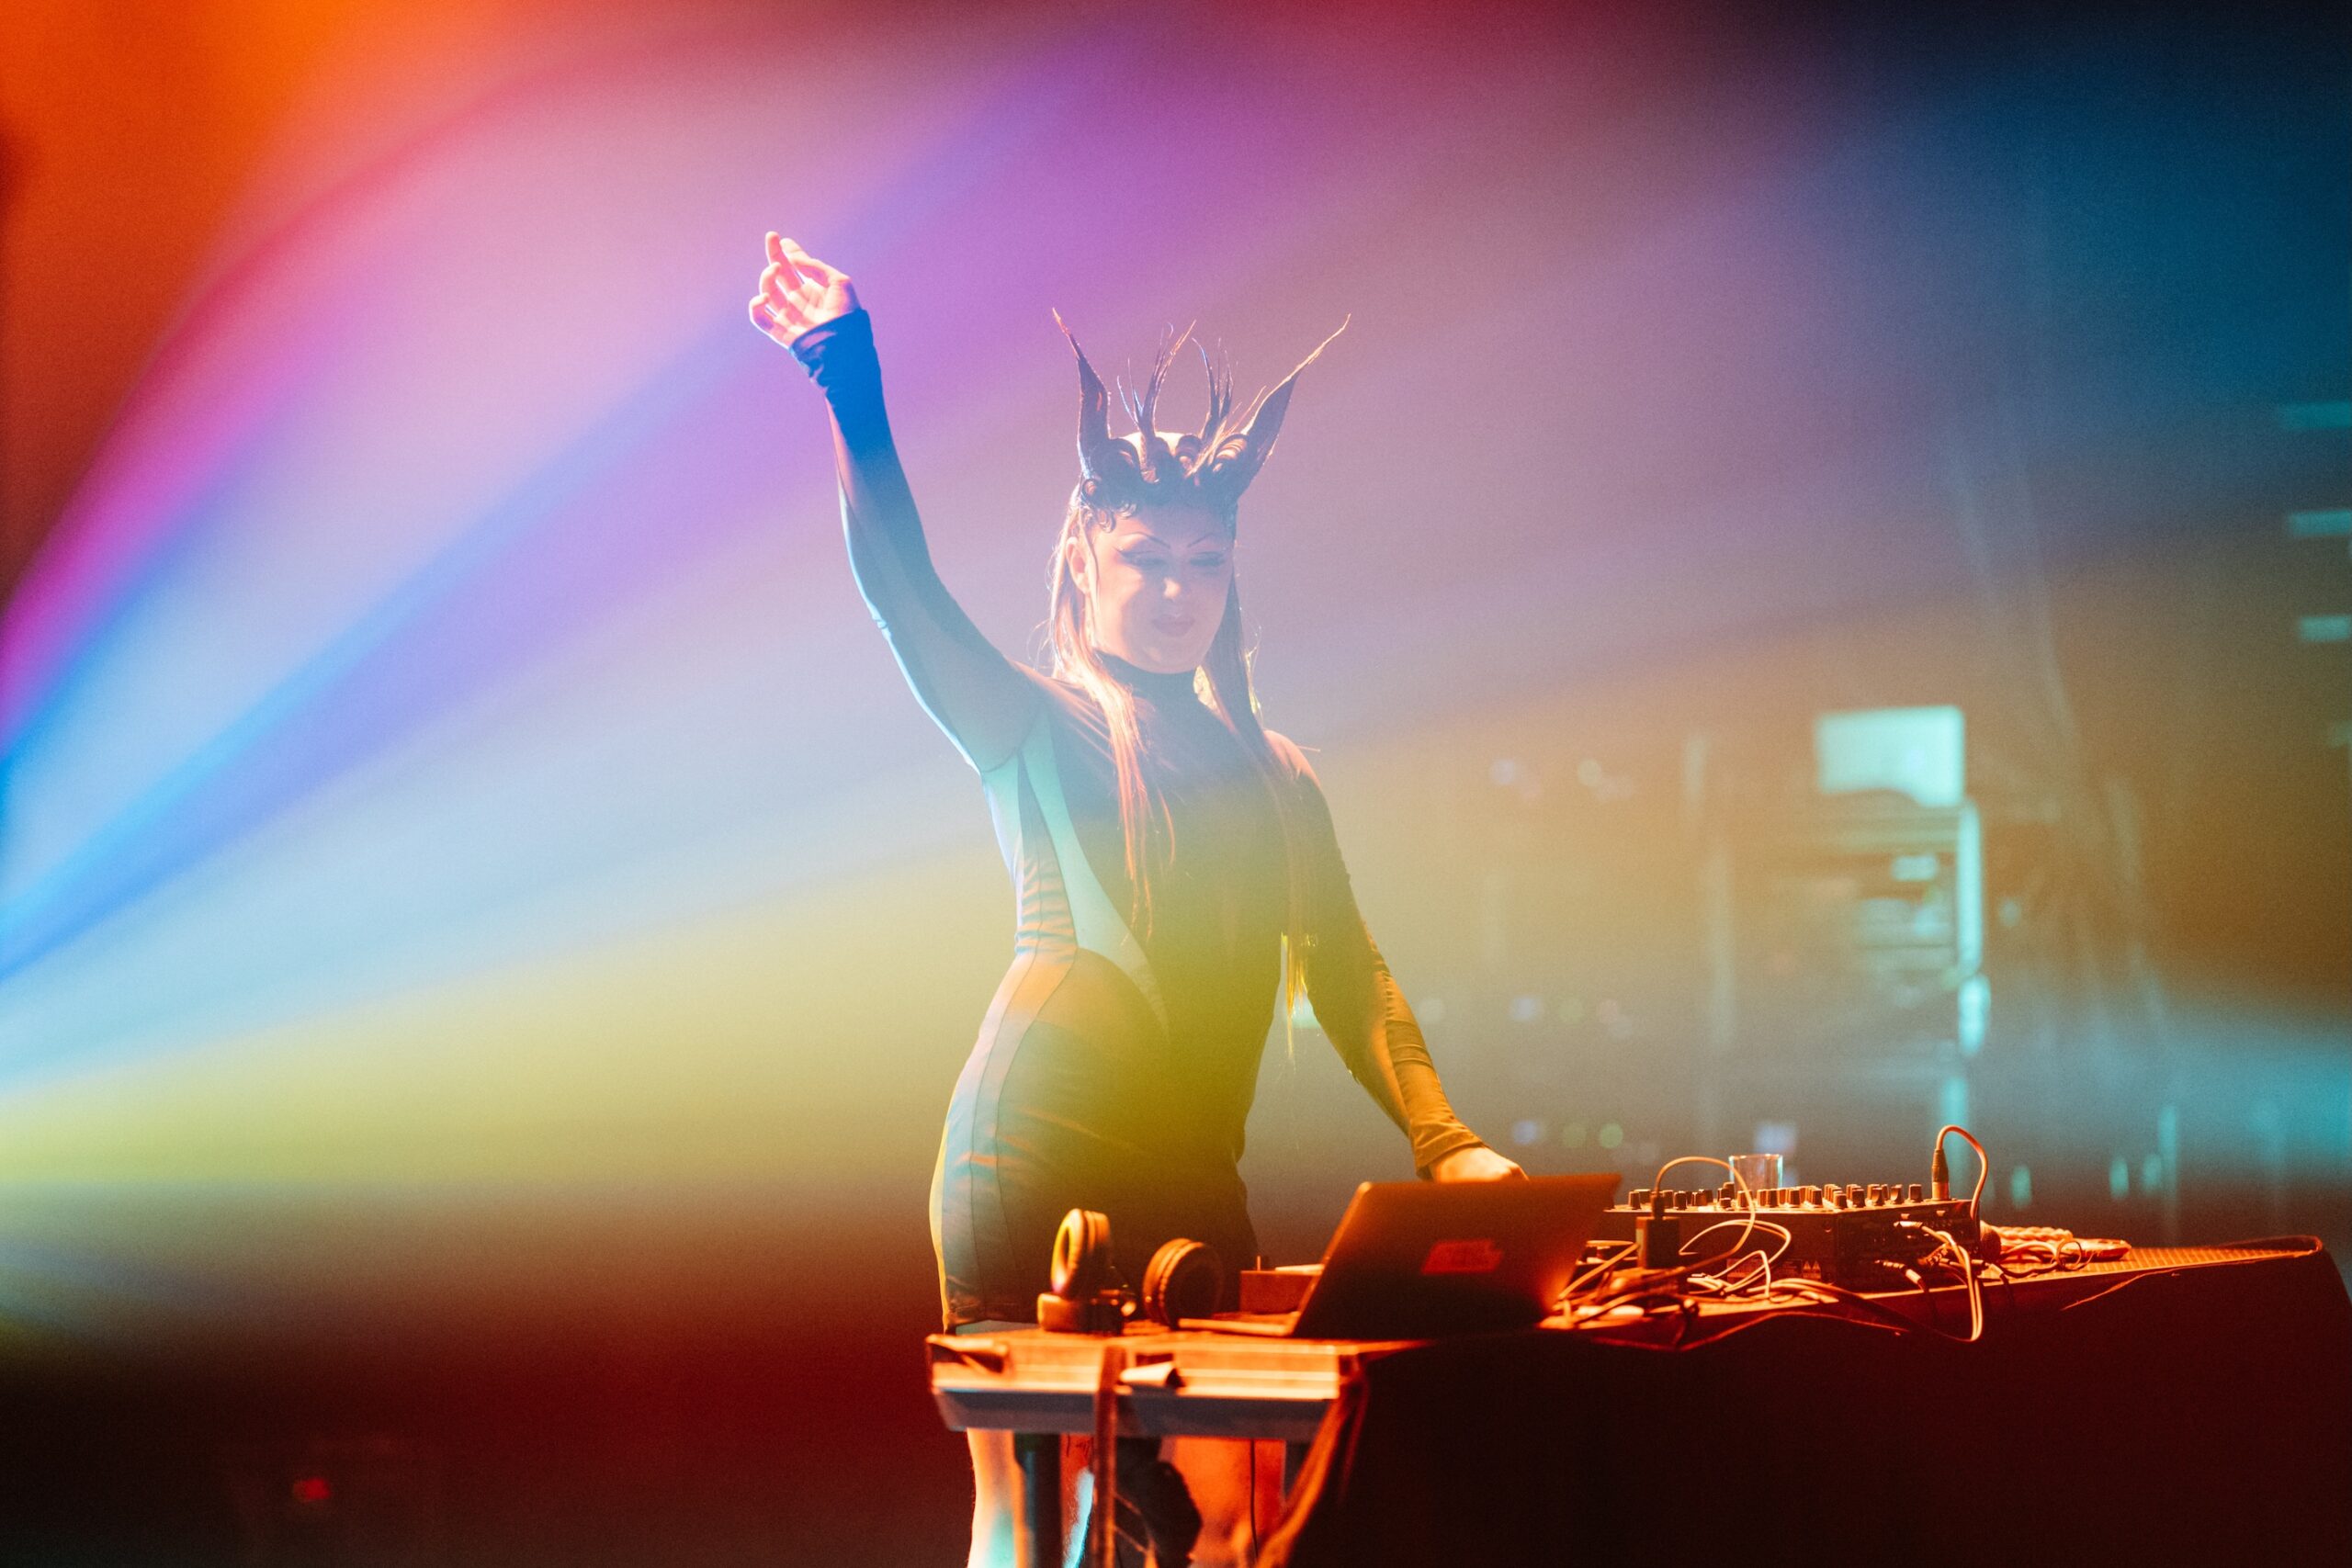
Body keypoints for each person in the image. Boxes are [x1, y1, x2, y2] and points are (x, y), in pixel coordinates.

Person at [751, 233, 1521, 1567]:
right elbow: (899, 587)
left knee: (1240, 1521)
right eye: (1146, 559)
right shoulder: (1031, 724)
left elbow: (1349, 967)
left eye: (1203, 564)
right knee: (1035, 1518)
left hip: (1195, 1186)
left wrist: (1446, 1145)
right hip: (1031, 1167)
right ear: (1085, 562)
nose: (1175, 591)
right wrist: (847, 379)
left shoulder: (1279, 776)